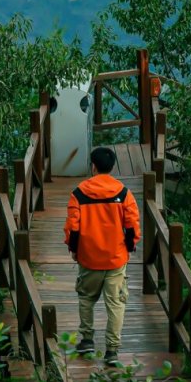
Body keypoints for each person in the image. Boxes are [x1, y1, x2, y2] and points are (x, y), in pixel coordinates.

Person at [63, 145, 141, 364]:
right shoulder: (124, 193)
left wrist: (74, 250)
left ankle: (87, 340)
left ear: (93, 166)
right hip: (116, 258)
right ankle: (112, 351)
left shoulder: (79, 193)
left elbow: (72, 227)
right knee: (116, 303)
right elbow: (133, 226)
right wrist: (129, 246)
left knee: (86, 298)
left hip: (89, 258)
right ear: (112, 167)